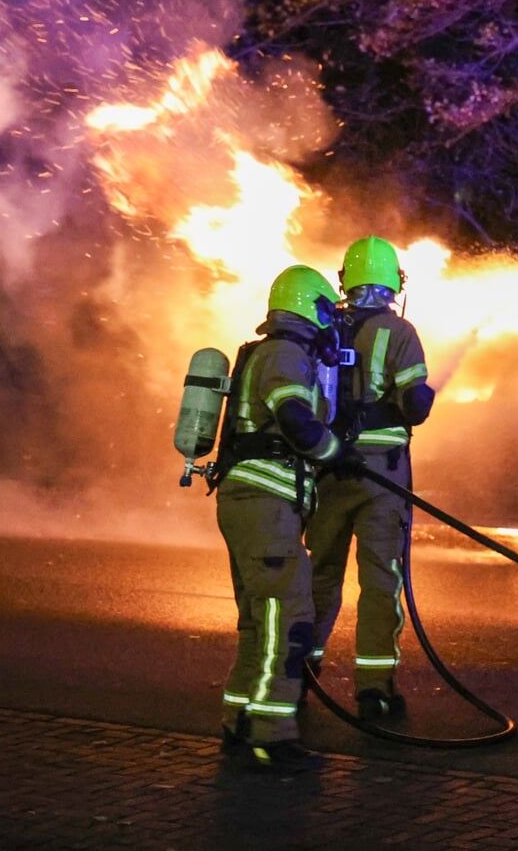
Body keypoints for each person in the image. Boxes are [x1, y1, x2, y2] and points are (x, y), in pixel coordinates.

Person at [214, 264, 350, 770]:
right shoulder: (286, 353)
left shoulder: (271, 352)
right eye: (326, 310)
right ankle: (273, 737)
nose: (331, 321)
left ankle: (240, 721)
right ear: (309, 308)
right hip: (265, 506)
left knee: (258, 622)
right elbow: (294, 417)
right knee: (289, 620)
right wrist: (335, 451)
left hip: (253, 505)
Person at [307, 236, 436, 721]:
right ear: (393, 283)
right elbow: (414, 406)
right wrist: (424, 396)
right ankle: (374, 689)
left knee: (319, 573)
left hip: (326, 470)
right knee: (381, 580)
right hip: (382, 477)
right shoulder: (398, 332)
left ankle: (299, 672)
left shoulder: (321, 329)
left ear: (346, 280)